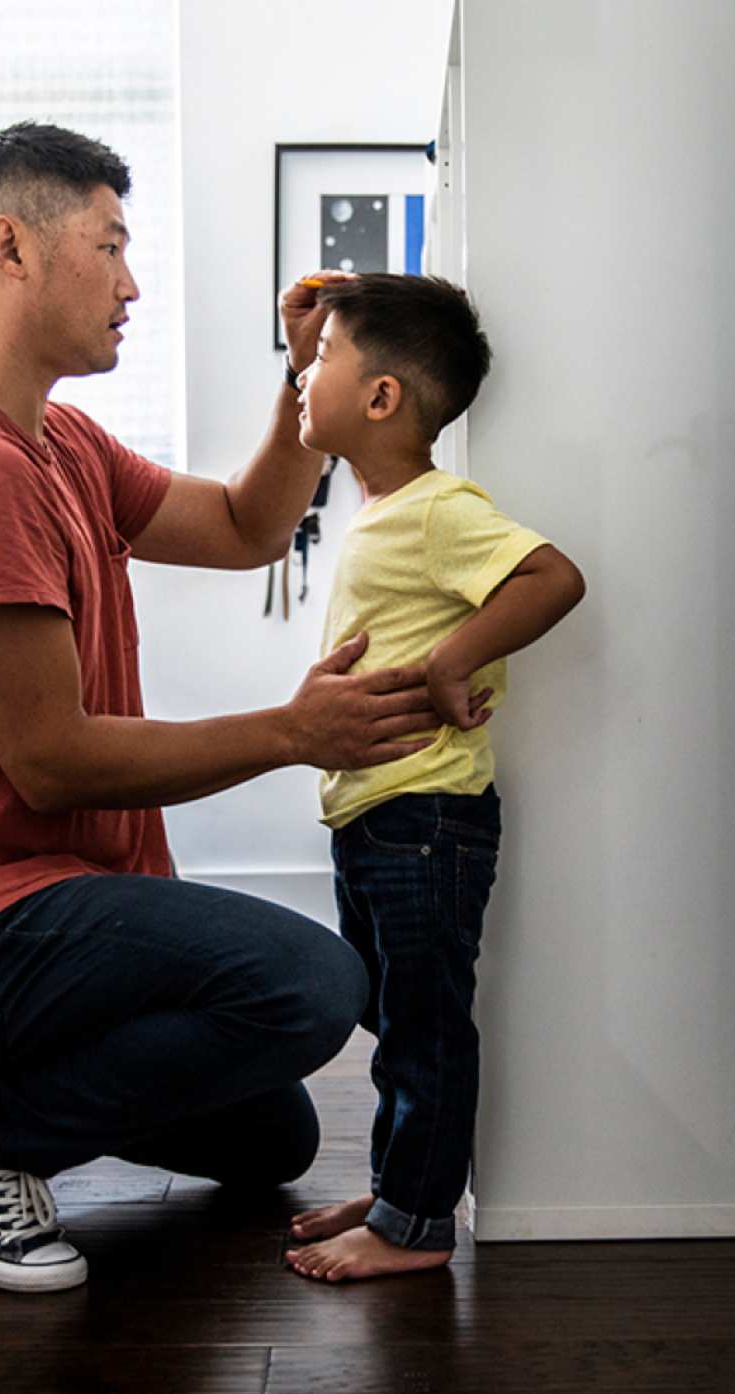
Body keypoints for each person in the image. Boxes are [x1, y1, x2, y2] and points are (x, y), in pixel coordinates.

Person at [0, 122, 456, 1294]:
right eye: (111, 246)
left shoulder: (59, 441)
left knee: (268, 1140)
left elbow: (246, 528)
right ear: (12, 246)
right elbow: (55, 763)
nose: (132, 284)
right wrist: (294, 732)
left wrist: (300, 384)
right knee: (314, 987)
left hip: (74, 901)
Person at [282, 274, 586, 1283]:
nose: (303, 378)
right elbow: (311, 393)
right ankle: (399, 1180)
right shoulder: (377, 507)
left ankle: (416, 1226)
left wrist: (454, 660)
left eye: (324, 360)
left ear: (381, 401)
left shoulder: (437, 509)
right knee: (393, 1021)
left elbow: (553, 576)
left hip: (425, 815)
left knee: (425, 1025)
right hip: (374, 816)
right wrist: (306, 340)